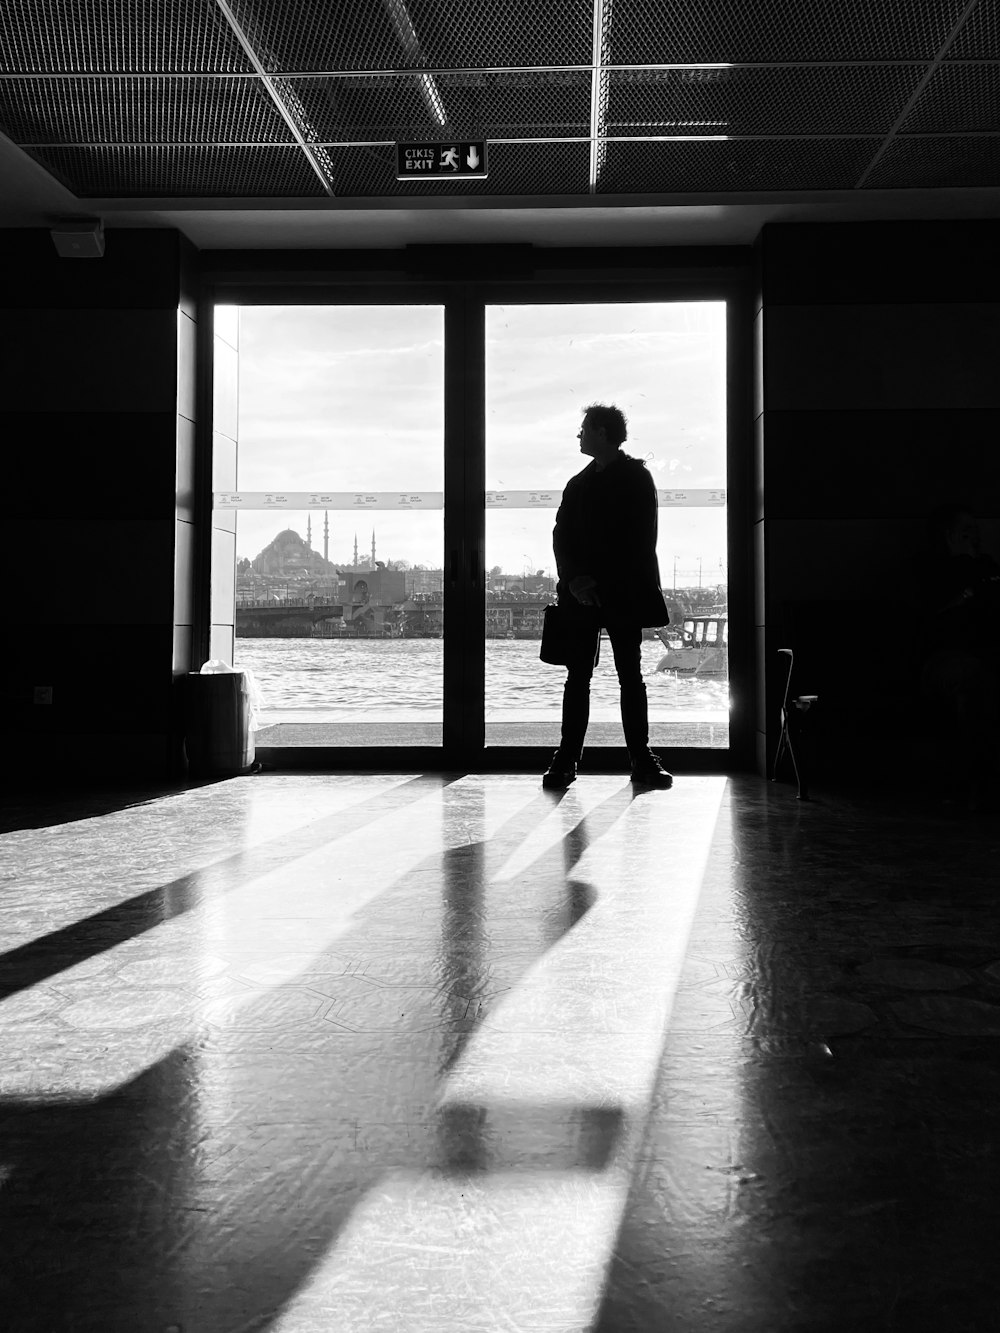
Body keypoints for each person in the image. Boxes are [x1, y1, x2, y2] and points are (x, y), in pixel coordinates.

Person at [542, 404, 674, 790]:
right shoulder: (633, 478)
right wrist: (582, 582)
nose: (579, 435)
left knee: (581, 678)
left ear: (600, 431)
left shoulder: (580, 483)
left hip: (592, 594)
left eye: (583, 429)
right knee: (626, 677)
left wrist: (576, 582)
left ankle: (567, 761)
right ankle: (641, 760)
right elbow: (637, 540)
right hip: (620, 592)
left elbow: (563, 538)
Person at [918, 503, 1000, 807]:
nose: (976, 538)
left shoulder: (989, 567)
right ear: (947, 536)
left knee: (985, 673)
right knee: (974, 678)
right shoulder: (931, 570)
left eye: (976, 531)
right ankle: (982, 782)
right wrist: (963, 563)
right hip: (944, 659)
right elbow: (932, 617)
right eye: (966, 533)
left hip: (986, 653)